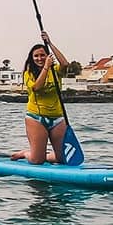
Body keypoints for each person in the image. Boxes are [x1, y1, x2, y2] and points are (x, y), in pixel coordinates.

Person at [11, 31, 71, 164]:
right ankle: (26, 153)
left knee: (62, 159)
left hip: (57, 118)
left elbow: (65, 64)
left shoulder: (55, 70)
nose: (39, 58)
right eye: (36, 56)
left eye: (42, 55)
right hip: (36, 117)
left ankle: (44, 154)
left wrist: (50, 43)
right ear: (32, 58)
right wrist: (46, 66)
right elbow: (37, 88)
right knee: (37, 161)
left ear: (47, 55)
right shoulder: (28, 73)